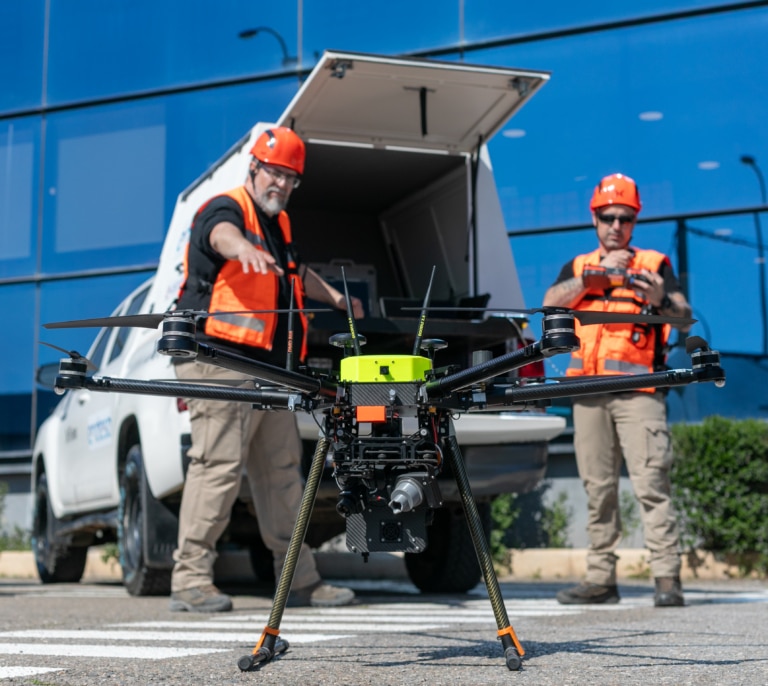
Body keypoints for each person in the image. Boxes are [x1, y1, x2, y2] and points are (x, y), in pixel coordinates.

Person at [169, 126, 364, 613]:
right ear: (255, 168)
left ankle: (299, 580)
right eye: (274, 172)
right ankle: (190, 580)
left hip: (272, 371)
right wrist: (243, 250)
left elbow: (298, 273)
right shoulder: (227, 207)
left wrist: (337, 298)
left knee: (282, 474)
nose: (280, 183)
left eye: (290, 178)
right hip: (220, 360)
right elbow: (221, 236)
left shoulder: (280, 227)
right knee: (217, 468)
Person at [542, 173, 692, 608]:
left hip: (639, 392)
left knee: (651, 483)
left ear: (635, 220)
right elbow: (551, 302)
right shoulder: (578, 267)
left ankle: (667, 578)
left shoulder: (654, 264)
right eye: (608, 217)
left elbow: (682, 317)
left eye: (625, 218)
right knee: (597, 488)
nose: (616, 226)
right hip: (589, 392)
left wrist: (663, 299)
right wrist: (595, 280)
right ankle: (600, 580)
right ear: (595, 218)